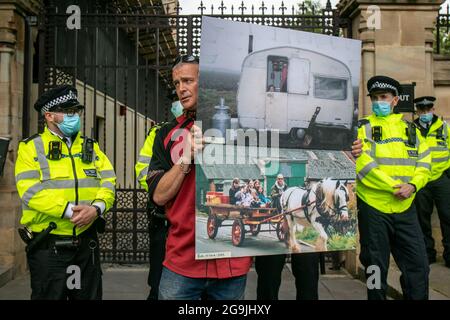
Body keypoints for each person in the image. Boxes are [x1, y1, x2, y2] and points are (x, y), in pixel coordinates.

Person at [146, 55, 252, 300]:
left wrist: (345, 151)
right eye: (176, 83)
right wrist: (186, 157)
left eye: (187, 81)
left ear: (202, 83)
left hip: (231, 260)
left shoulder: (242, 130)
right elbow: (159, 196)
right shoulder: (167, 133)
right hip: (182, 261)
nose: (181, 89)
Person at [15, 85, 116, 300]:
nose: (74, 116)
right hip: (50, 246)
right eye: (68, 112)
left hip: (85, 246)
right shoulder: (31, 147)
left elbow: (108, 181)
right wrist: (71, 212)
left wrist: (96, 209)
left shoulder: (91, 146)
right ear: (49, 115)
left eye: (75, 111)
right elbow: (30, 191)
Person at [355, 75, 431, 300]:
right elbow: (363, 166)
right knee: (375, 269)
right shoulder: (362, 128)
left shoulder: (411, 130)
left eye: (384, 97)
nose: (379, 102)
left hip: (405, 208)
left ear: (395, 100)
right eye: (375, 98)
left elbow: (425, 162)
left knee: (419, 267)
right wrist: (397, 187)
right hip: (374, 208)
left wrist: (413, 185)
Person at [134, 90, 184, 300]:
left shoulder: (208, 132)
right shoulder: (159, 132)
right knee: (160, 280)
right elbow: (143, 172)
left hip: (194, 220)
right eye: (175, 98)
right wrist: (166, 191)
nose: (179, 102)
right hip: (164, 218)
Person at [412, 96, 450, 267]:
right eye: (422, 110)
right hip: (421, 179)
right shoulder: (411, 129)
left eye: (428, 109)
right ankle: (427, 254)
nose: (425, 112)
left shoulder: (444, 127)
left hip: (442, 179)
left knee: (448, 217)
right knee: (422, 219)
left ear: (433, 110)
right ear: (417, 111)